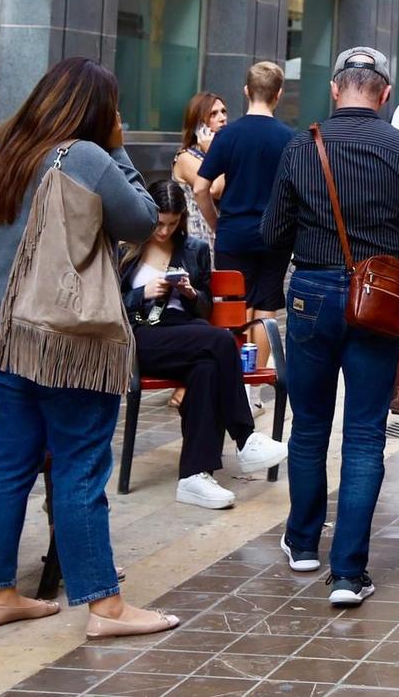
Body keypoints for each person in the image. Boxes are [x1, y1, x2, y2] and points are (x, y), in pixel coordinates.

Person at [0, 56, 175, 637]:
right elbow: (142, 221)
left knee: (8, 455)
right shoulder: (86, 156)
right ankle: (105, 606)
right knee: (79, 461)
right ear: (98, 112)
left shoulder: (1, 148)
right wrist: (119, 148)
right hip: (59, 328)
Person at [261, 47, 399, 607]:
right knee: (365, 435)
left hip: (312, 295)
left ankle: (302, 542)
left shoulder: (301, 145)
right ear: (386, 93)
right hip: (380, 299)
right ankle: (348, 573)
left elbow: (272, 233)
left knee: (310, 425)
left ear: (336, 88)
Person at [121, 181, 289, 509]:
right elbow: (110, 304)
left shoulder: (193, 248)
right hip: (145, 337)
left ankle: (194, 477)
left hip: (190, 335)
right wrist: (143, 293)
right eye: (158, 223)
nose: (164, 231)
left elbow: (206, 308)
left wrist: (189, 293)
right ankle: (245, 437)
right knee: (220, 340)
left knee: (207, 368)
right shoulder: (126, 250)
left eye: (172, 223)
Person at [196, 64, 295, 404]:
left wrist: (216, 223)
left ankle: (230, 383)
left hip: (233, 233)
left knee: (233, 308)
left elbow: (200, 187)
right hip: (274, 236)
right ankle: (252, 388)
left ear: (245, 90)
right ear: (279, 94)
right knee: (266, 309)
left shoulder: (229, 135)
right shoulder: (289, 138)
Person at [172, 92, 227, 250]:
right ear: (199, 124)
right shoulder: (185, 158)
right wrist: (212, 151)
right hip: (196, 240)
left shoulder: (223, 152)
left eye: (223, 111)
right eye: (213, 114)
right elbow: (215, 189)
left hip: (218, 239)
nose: (222, 118)